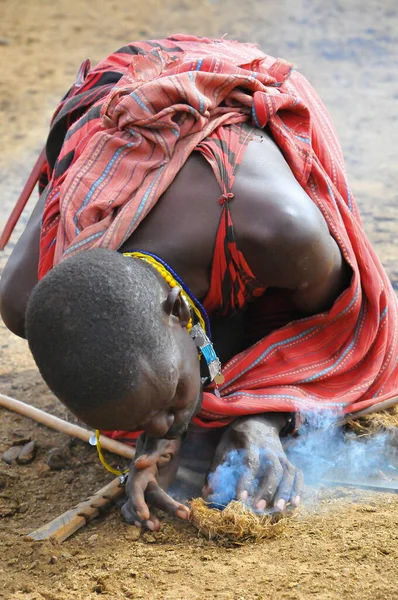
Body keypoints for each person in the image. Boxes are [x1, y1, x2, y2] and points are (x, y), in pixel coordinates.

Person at [1, 34, 397, 531]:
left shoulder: (283, 231)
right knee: (173, 378)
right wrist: (156, 429)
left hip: (214, 89)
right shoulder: (27, 298)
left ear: (180, 311)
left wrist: (263, 416)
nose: (166, 432)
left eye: (164, 411)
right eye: (150, 425)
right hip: (105, 120)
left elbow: (346, 331)